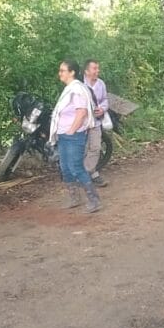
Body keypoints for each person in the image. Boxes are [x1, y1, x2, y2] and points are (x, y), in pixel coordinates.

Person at [50, 59, 101, 213]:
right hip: (64, 135)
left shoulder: (77, 90)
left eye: (63, 70)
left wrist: (72, 130)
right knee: (65, 168)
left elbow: (81, 112)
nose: (60, 73)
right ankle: (74, 198)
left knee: (76, 167)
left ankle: (94, 200)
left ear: (72, 72)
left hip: (73, 135)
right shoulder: (70, 89)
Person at [83, 59, 110, 187]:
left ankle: (86, 173)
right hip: (81, 124)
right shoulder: (79, 85)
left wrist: (102, 109)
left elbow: (105, 100)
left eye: (98, 68)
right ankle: (91, 175)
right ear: (86, 71)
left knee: (95, 148)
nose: (97, 71)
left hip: (96, 123)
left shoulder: (101, 84)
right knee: (83, 150)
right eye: (94, 68)